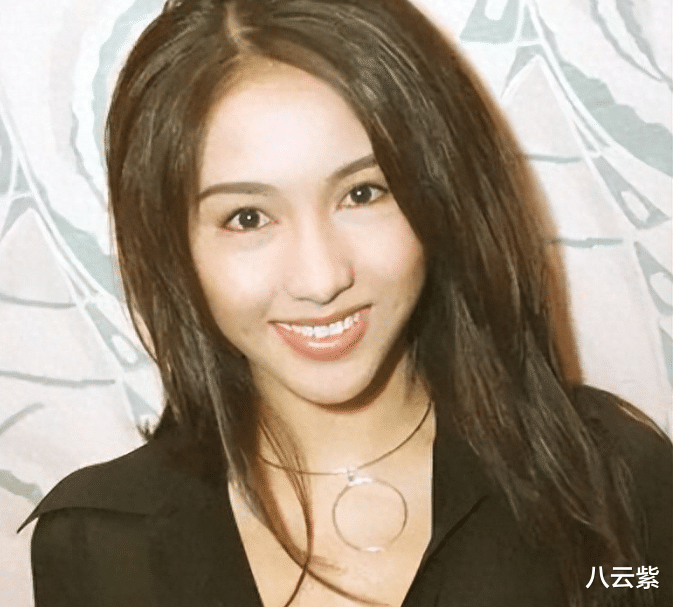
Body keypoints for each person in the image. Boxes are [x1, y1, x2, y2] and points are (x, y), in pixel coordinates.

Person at [21, 0, 672, 606]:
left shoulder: (611, 482)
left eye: (363, 193)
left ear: (439, 196)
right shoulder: (100, 547)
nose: (321, 277)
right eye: (247, 217)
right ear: (173, 251)